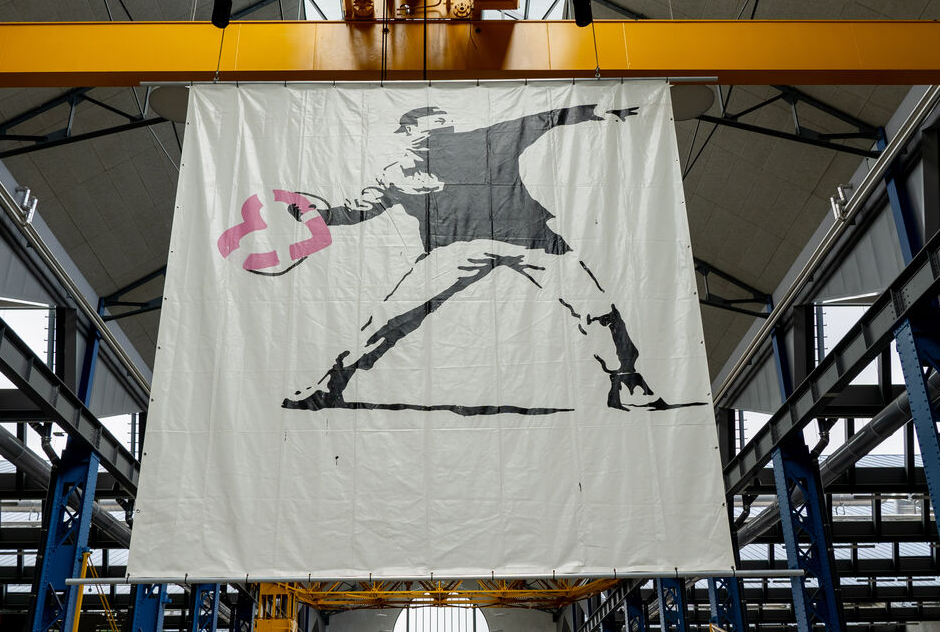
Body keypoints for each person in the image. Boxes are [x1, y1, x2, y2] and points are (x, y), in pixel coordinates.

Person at [283, 102, 672, 413]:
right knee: (391, 316)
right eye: (432, 131)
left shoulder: (485, 141)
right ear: (411, 134)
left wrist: (594, 110)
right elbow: (358, 210)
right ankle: (332, 381)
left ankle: (627, 379)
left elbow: (544, 118)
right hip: (461, 248)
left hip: (530, 238)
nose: (441, 136)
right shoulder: (399, 172)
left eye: (443, 130)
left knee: (596, 305)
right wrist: (319, 215)